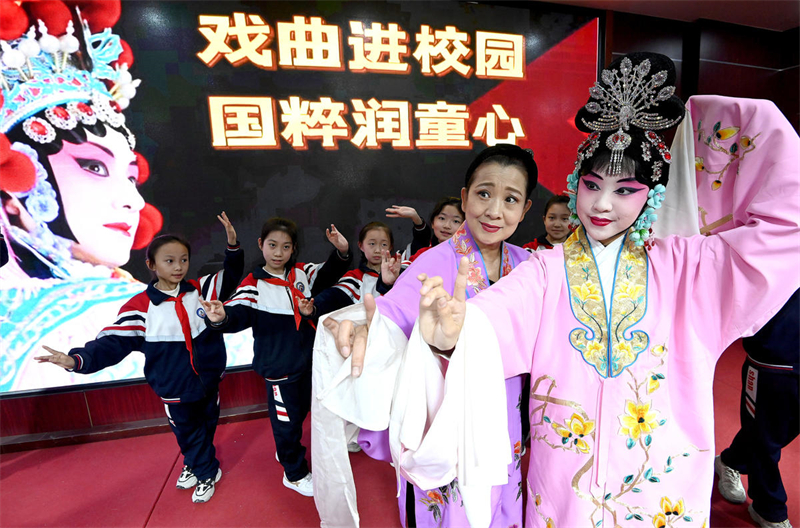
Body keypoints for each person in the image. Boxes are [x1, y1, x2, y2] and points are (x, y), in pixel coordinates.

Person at [326, 54, 800, 527]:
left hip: (662, 486)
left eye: (625, 190)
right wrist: (453, 330)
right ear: (574, 185)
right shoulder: (546, 270)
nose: (602, 204)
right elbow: (496, 317)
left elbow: (785, 227)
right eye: (592, 185)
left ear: (652, 194)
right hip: (566, 483)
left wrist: (708, 128)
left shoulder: (689, 266)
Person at [312, 143, 538, 528]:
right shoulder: (432, 262)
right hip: (445, 418)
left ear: (525, 208)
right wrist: (370, 329)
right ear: (465, 198)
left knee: (500, 497)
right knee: (448, 506)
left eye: (510, 198)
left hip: (505, 414)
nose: (494, 210)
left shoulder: (528, 266)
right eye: (484, 193)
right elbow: (392, 318)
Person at [0, 6, 163, 393]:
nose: (133, 201)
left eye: (130, 176)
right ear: (13, 192)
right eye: (93, 166)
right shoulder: (112, 311)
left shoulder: (118, 301)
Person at [36, 220, 244, 504]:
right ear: (152, 264)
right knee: (187, 432)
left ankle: (194, 461)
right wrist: (75, 360)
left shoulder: (201, 290)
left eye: (183, 260)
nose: (178, 267)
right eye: (169, 260)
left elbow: (231, 276)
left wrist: (233, 246)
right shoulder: (139, 307)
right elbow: (112, 343)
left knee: (206, 426)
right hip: (174, 389)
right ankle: (207, 471)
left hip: (209, 381)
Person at [201, 218, 351, 497]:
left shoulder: (303, 273)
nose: (278, 252)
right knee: (287, 425)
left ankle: (287, 454)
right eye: (272, 245)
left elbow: (328, 273)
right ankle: (294, 474)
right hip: (279, 369)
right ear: (261, 245)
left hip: (309, 362)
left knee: (307, 412)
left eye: (285, 247)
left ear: (293, 249)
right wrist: (221, 317)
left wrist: (341, 252)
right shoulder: (253, 285)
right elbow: (236, 312)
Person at [311, 221, 402, 314]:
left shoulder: (400, 270)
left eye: (384, 244)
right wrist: (313, 306)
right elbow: (332, 297)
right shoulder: (355, 277)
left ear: (391, 247)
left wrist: (417, 223)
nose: (378, 250)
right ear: (361, 246)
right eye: (372, 244)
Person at [386, 197, 464, 260]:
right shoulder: (422, 254)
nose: (447, 226)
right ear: (432, 223)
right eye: (442, 218)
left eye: (456, 221)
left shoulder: (468, 258)